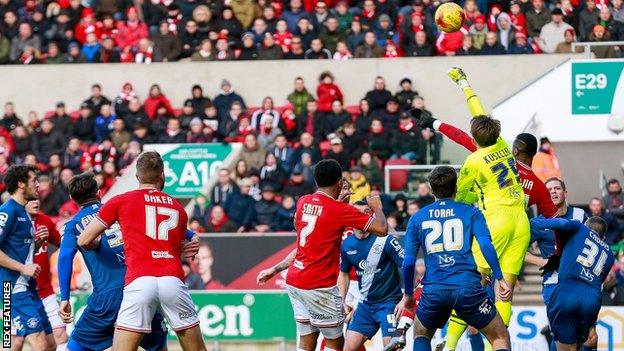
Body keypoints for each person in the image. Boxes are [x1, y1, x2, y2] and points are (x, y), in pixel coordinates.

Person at [76, 152, 206, 351]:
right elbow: (173, 247)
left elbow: (84, 240)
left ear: (137, 177)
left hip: (140, 280)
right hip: (172, 280)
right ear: (162, 176)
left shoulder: (121, 201)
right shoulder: (177, 208)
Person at [256, 159, 389, 351]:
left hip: (295, 281)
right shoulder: (340, 210)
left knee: (306, 342)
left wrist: (275, 269)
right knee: (336, 345)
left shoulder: (303, 202)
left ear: (316, 181)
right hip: (319, 285)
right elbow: (382, 229)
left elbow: (312, 235)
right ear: (339, 183)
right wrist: (377, 207)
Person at [441, 67, 529, 349]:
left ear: (474, 137)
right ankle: (498, 346)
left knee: (469, 284)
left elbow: (463, 198)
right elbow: (480, 113)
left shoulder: (474, 161)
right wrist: (465, 82)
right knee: (505, 291)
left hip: (498, 220)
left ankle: (450, 344)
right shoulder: (503, 144)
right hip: (521, 222)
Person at [395, 166, 511, 351]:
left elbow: (408, 262)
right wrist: (499, 277)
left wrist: (408, 294)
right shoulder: (472, 213)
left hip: (435, 290)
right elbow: (486, 245)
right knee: (499, 337)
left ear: (431, 190)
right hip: (468, 289)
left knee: (421, 333)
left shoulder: (417, 218)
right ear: (456, 188)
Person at [57, 172, 170, 351]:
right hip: (141, 288)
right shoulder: (120, 208)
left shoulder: (73, 225)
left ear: (72, 199)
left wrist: (64, 298)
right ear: (98, 193)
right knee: (157, 347)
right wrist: (189, 234)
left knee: (75, 346)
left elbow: (64, 257)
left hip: (107, 297)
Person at [530, 216, 614, 351]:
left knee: (566, 348)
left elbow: (561, 223)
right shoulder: (610, 254)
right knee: (587, 342)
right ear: (603, 238)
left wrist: (536, 222)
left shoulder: (580, 228)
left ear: (585, 226)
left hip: (567, 293)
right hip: (591, 300)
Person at [339, 200, 404, 351]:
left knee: (393, 348)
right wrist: (342, 300)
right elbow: (344, 274)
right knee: (348, 348)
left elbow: (407, 265)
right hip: (366, 306)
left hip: (389, 304)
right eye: (357, 212)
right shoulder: (347, 244)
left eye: (366, 212)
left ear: (371, 215)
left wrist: (406, 296)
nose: (361, 215)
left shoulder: (385, 239)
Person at [0, 165, 52, 351]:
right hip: (11, 287)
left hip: (27, 286)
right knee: (36, 342)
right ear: (21, 184)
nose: (38, 184)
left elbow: (17, 248)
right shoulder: (8, 211)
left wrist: (36, 243)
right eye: (33, 181)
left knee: (43, 343)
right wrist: (23, 268)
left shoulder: (24, 212)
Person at [27, 199, 68, 350]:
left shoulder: (45, 220)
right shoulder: (10, 221)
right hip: (12, 292)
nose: (35, 201)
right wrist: (35, 244)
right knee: (12, 340)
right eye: (30, 199)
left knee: (59, 338)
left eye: (36, 197)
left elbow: (63, 244)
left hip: (45, 292)